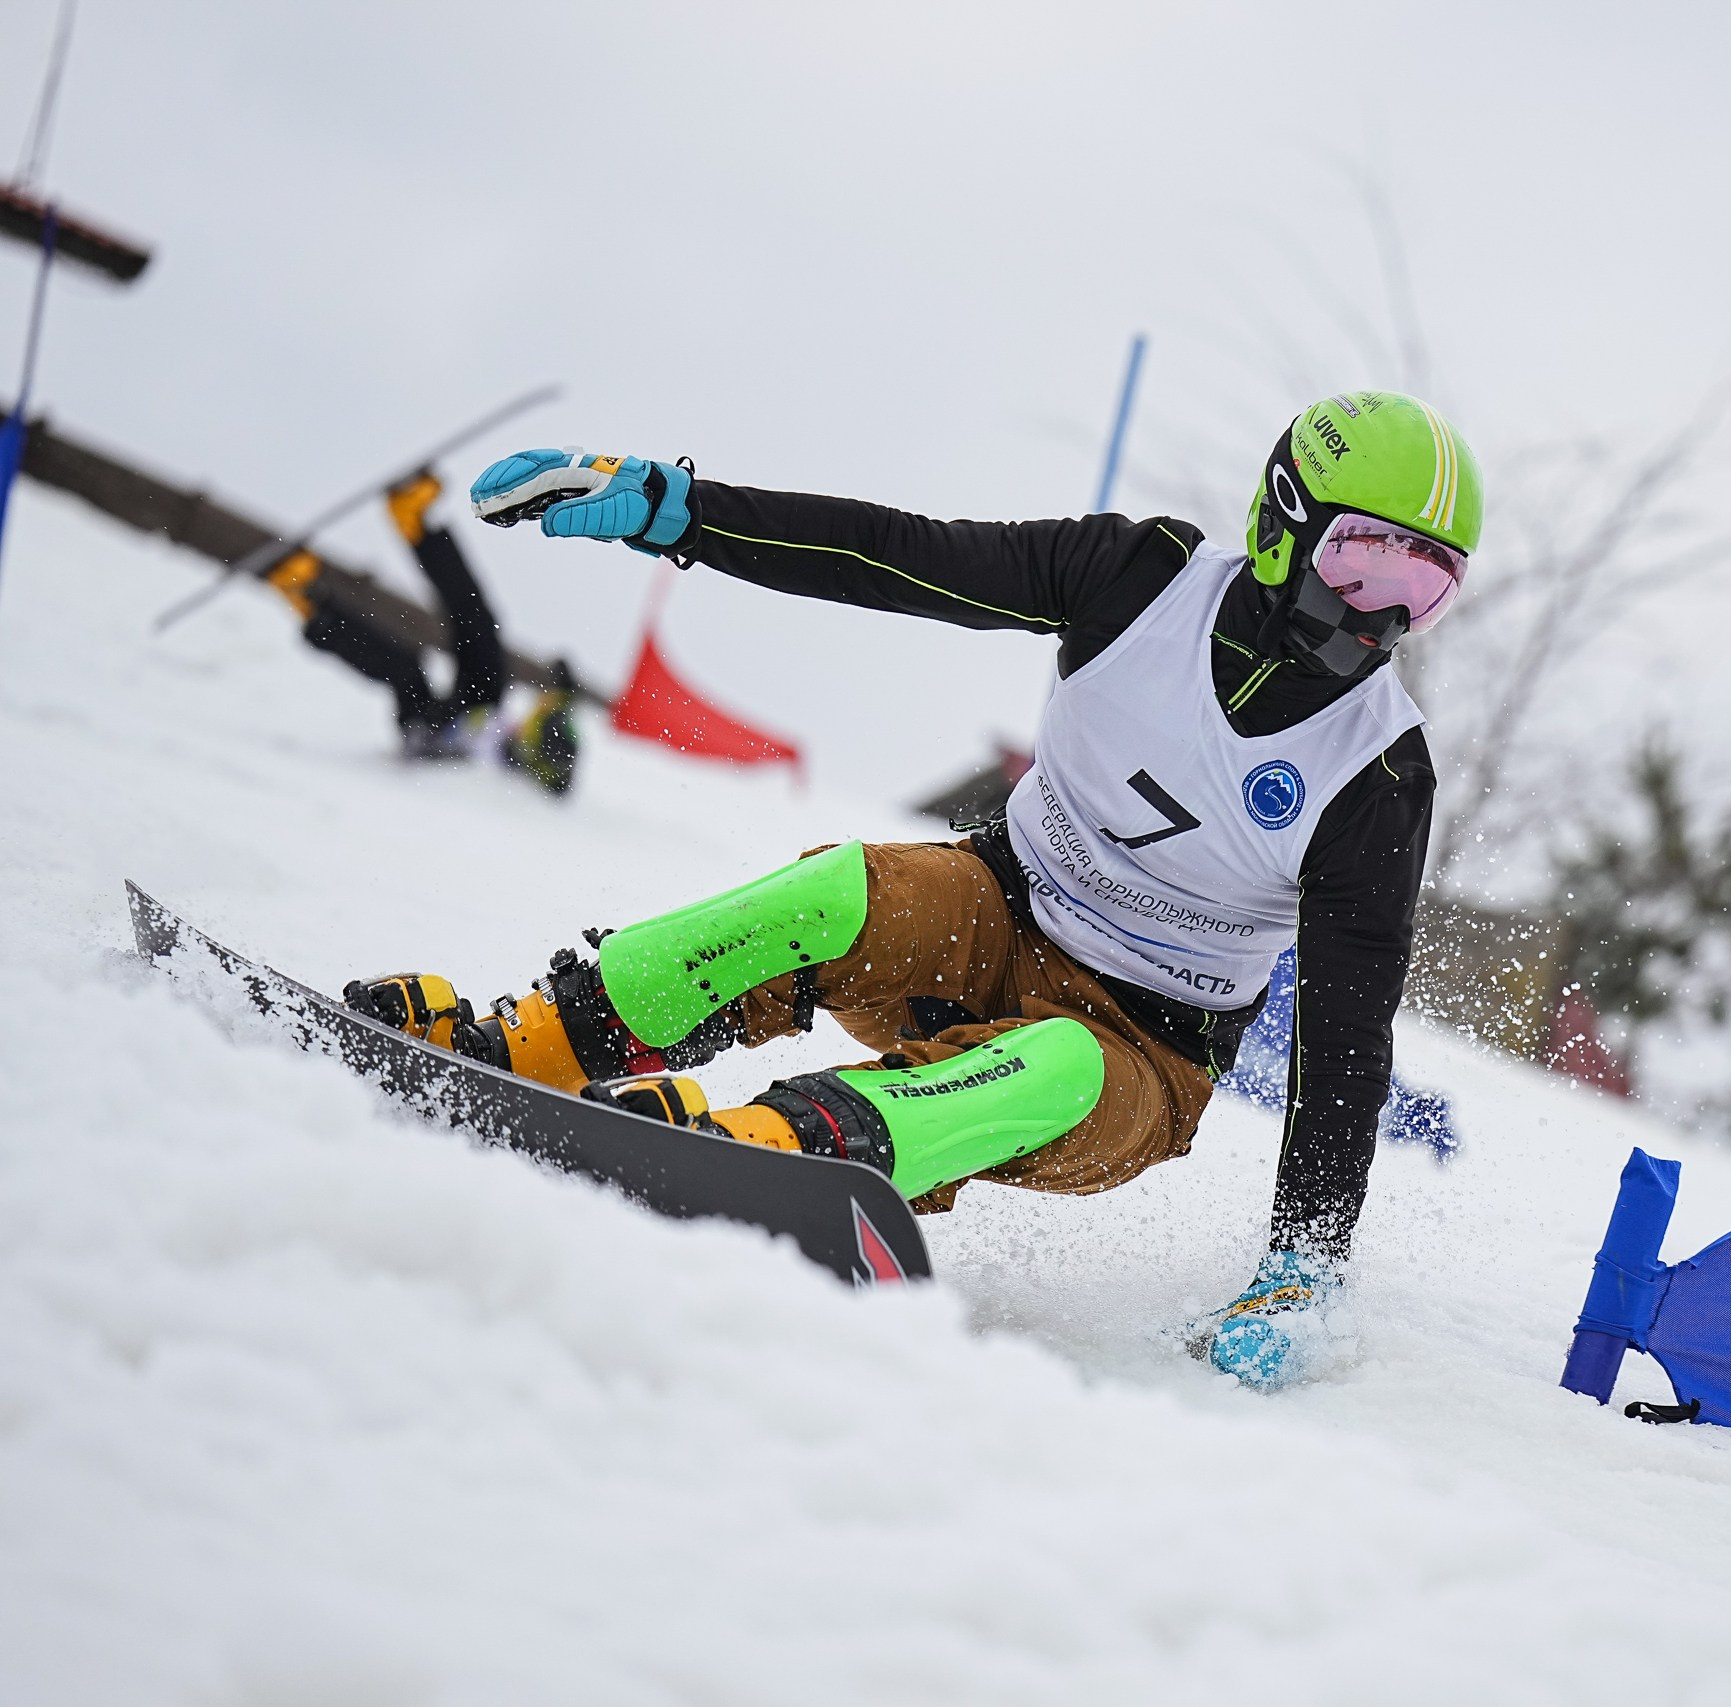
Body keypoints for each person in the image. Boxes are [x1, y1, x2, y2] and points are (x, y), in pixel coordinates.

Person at [344, 395, 1480, 1388]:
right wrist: (679, 511)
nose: (1381, 617)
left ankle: (775, 1152)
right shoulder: (1140, 581)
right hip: (994, 914)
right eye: (1364, 565)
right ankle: (530, 1045)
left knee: (1059, 1059)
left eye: (1425, 590)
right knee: (840, 890)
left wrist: (1304, 1264)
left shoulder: (1376, 772)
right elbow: (891, 555)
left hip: (1144, 1052)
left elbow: (1344, 1044)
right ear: (1282, 522)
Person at [260, 469, 579, 792]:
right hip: (473, 712)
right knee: (479, 626)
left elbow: (553, 774)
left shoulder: (516, 774)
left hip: (433, 738)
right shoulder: (518, 739)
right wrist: (564, 693)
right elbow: (554, 723)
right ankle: (415, 524)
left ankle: (308, 600)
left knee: (406, 669)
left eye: (539, 725)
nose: (534, 718)